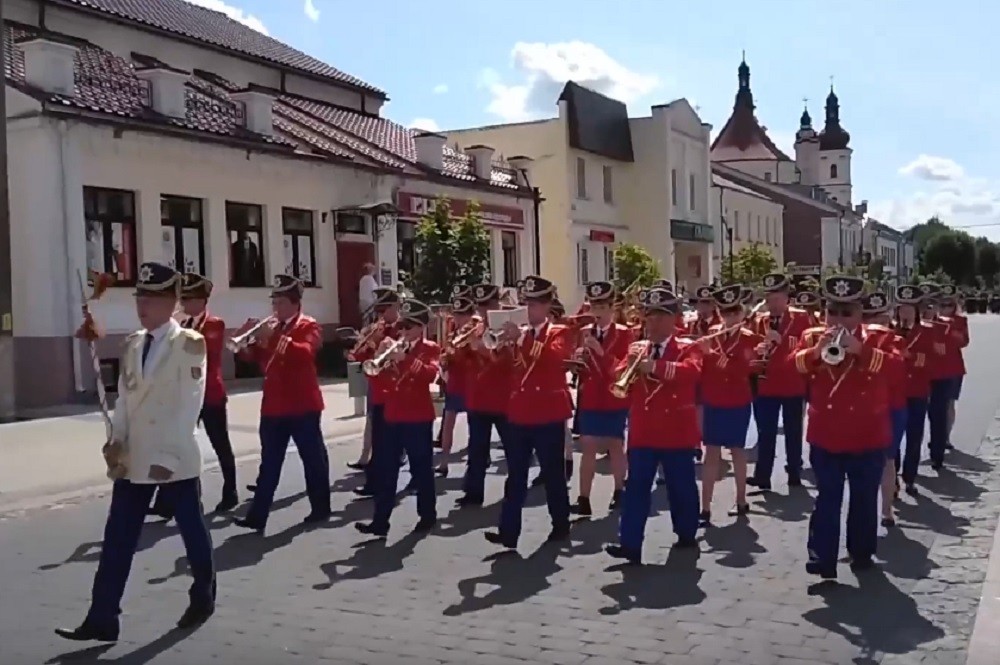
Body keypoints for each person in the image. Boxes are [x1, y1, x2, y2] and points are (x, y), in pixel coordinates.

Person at [56, 262, 215, 641]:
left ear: (172, 302)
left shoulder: (189, 343)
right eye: (139, 297)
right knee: (118, 539)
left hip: (172, 460)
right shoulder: (133, 343)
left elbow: (188, 405)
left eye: (152, 298)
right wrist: (117, 440)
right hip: (135, 459)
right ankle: (103, 617)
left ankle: (203, 593)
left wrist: (168, 460)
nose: (143, 305)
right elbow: (125, 399)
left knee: (192, 532)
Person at [792, 275, 890, 579]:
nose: (838, 319)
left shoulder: (879, 337)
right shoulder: (811, 337)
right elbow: (787, 369)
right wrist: (815, 353)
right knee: (827, 496)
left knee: (863, 497)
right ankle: (822, 557)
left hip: (867, 435)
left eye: (846, 313)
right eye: (832, 311)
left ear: (860, 314)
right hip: (826, 435)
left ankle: (861, 552)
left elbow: (896, 371)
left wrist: (859, 349)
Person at [605, 287, 702, 563]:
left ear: (673, 319)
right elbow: (618, 373)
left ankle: (686, 533)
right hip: (643, 431)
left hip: (676, 431)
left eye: (660, 317)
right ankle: (630, 544)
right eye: (650, 317)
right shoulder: (637, 347)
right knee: (636, 488)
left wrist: (656, 368)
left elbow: (692, 372)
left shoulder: (687, 346)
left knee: (680, 487)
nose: (654, 323)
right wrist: (625, 371)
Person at [233, 275, 330, 532]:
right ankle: (257, 516)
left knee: (312, 458)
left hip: (302, 405)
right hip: (274, 406)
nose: (275, 308)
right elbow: (256, 358)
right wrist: (243, 342)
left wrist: (273, 338)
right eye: (273, 302)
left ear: (295, 303)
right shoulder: (272, 327)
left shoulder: (308, 325)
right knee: (269, 463)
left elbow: (305, 353)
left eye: (280, 302)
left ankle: (321, 507)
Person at [484, 276, 573, 548]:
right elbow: (502, 370)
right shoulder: (516, 334)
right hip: (520, 413)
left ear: (547, 306)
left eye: (534, 304)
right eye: (526, 304)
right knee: (517, 474)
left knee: (553, 473)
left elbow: (553, 360)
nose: (529, 309)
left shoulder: (560, 331)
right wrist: (493, 348)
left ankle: (560, 523)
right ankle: (508, 532)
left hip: (548, 412)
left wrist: (521, 338)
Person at [149, 273, 237, 518]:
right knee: (177, 446)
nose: (184, 305)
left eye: (188, 299)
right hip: (187, 397)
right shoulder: (184, 326)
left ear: (201, 301)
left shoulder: (214, 324)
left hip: (210, 395)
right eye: (183, 299)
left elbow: (202, 352)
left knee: (221, 445)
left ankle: (230, 491)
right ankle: (167, 501)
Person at [357, 299, 441, 537]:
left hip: (417, 417)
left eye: (408, 326)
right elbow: (381, 382)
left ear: (420, 327)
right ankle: (380, 521)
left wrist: (406, 360)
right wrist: (380, 360)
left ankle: (427, 515)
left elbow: (430, 375)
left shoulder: (430, 348)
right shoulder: (392, 348)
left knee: (421, 469)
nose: (402, 331)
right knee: (386, 470)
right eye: (401, 326)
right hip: (392, 415)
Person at [698, 284, 761, 525]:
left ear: (742, 313)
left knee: (737, 451)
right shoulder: (712, 332)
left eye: (734, 312)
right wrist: (702, 354)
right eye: (725, 313)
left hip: (737, 400)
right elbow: (703, 369)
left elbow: (745, 369)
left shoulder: (750, 338)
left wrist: (712, 355)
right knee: (711, 453)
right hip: (713, 399)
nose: (730, 318)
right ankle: (705, 507)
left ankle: (741, 499)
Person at [570, 281, 632, 515]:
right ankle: (584, 498)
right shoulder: (585, 332)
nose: (596, 312)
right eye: (594, 306)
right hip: (591, 397)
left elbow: (622, 367)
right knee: (588, 447)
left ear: (611, 308)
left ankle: (619, 490)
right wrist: (578, 362)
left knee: (616, 445)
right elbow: (583, 367)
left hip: (613, 397)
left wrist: (598, 351)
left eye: (601, 307)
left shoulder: (625, 333)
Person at [749, 272, 811, 491]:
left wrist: (781, 343)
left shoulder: (802, 318)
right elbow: (754, 351)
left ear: (786, 298)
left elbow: (807, 348)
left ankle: (794, 471)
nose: (773, 304)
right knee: (765, 432)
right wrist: (759, 349)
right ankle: (762, 475)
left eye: (777, 299)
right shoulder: (760, 320)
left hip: (793, 383)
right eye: (769, 299)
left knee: (793, 431)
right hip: (767, 384)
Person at [457, 283, 512, 507]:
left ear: (497, 304)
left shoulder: (509, 327)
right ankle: (473, 492)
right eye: (480, 306)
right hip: (478, 397)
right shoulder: (475, 327)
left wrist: (480, 349)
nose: (483, 311)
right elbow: (464, 363)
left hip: (502, 398)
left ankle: (514, 491)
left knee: (513, 449)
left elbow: (508, 362)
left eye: (488, 305)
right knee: (477, 448)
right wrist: (460, 349)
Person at [860, 291, 906, 527]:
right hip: (866, 407)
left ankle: (886, 510)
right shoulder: (853, 339)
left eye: (880, 318)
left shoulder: (894, 340)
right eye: (871, 318)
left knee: (887, 459)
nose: (876, 324)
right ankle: (877, 508)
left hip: (891, 405)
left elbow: (897, 370)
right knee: (871, 461)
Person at [349, 288, 401, 490]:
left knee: (392, 438)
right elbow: (364, 359)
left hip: (395, 390)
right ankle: (375, 480)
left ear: (395, 307)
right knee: (378, 433)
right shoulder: (376, 328)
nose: (381, 315)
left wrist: (379, 342)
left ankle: (396, 478)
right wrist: (362, 347)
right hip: (377, 388)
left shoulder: (402, 328)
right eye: (379, 311)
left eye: (385, 309)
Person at [894, 285, 936, 495]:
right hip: (896, 391)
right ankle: (892, 477)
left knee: (914, 436)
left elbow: (933, 360)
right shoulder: (891, 331)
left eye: (910, 309)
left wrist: (911, 359)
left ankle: (910, 477)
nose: (906, 313)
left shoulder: (926, 331)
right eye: (902, 309)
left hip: (918, 390)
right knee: (893, 437)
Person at [436, 294, 475, 476]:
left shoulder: (474, 334)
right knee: (448, 421)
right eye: (457, 315)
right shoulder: (452, 334)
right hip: (454, 383)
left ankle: (476, 458)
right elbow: (446, 354)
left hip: (470, 383)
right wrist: (444, 360)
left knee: (473, 423)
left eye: (462, 315)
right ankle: (444, 461)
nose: (458, 319)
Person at [936, 284, 969, 452]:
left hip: (953, 367)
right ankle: (937, 435)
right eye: (942, 305)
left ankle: (946, 437)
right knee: (932, 405)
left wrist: (951, 331)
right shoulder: (930, 320)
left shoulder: (960, 321)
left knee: (949, 403)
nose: (946, 309)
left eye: (950, 305)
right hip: (933, 368)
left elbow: (964, 341)